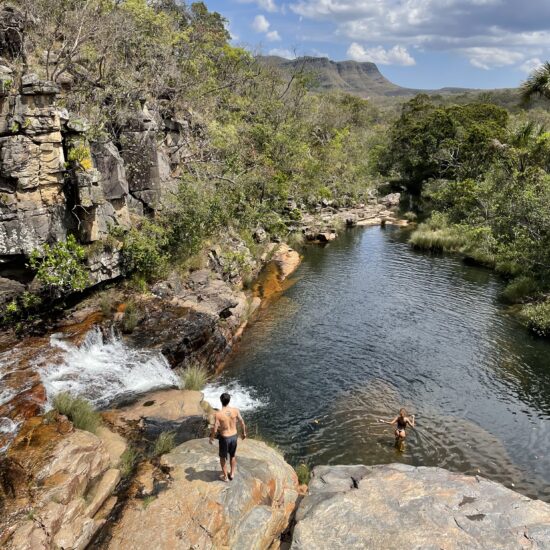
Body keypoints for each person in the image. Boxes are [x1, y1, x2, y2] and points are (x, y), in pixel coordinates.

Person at [209, 392, 247, 482]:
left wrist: (212, 438)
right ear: (229, 400)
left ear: (221, 401)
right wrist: (244, 433)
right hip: (234, 436)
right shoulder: (236, 410)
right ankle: (232, 474)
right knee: (232, 456)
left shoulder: (218, 414)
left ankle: (225, 476)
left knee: (223, 457)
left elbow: (215, 428)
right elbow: (242, 422)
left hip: (224, 438)